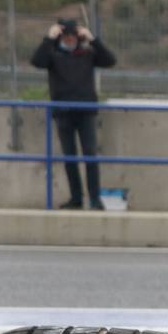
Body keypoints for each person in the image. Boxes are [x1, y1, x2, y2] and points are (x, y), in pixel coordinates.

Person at [30, 18, 116, 210]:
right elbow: (37, 61)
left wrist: (93, 40)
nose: (70, 39)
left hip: (86, 113)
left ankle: (95, 199)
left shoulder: (87, 53)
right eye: (66, 36)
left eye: (73, 36)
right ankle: (76, 198)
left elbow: (110, 61)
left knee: (90, 156)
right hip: (63, 113)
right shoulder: (53, 54)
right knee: (70, 158)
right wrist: (48, 39)